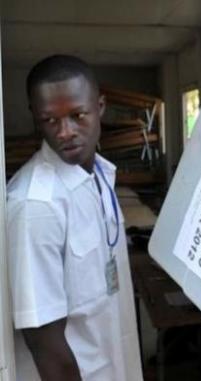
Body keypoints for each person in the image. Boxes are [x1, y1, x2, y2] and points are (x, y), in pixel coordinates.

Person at [7, 55, 143, 380]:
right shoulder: (36, 205)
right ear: (35, 118)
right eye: (50, 120)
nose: (65, 132)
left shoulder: (99, 176)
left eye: (78, 115)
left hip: (113, 364)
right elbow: (43, 340)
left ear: (100, 107)